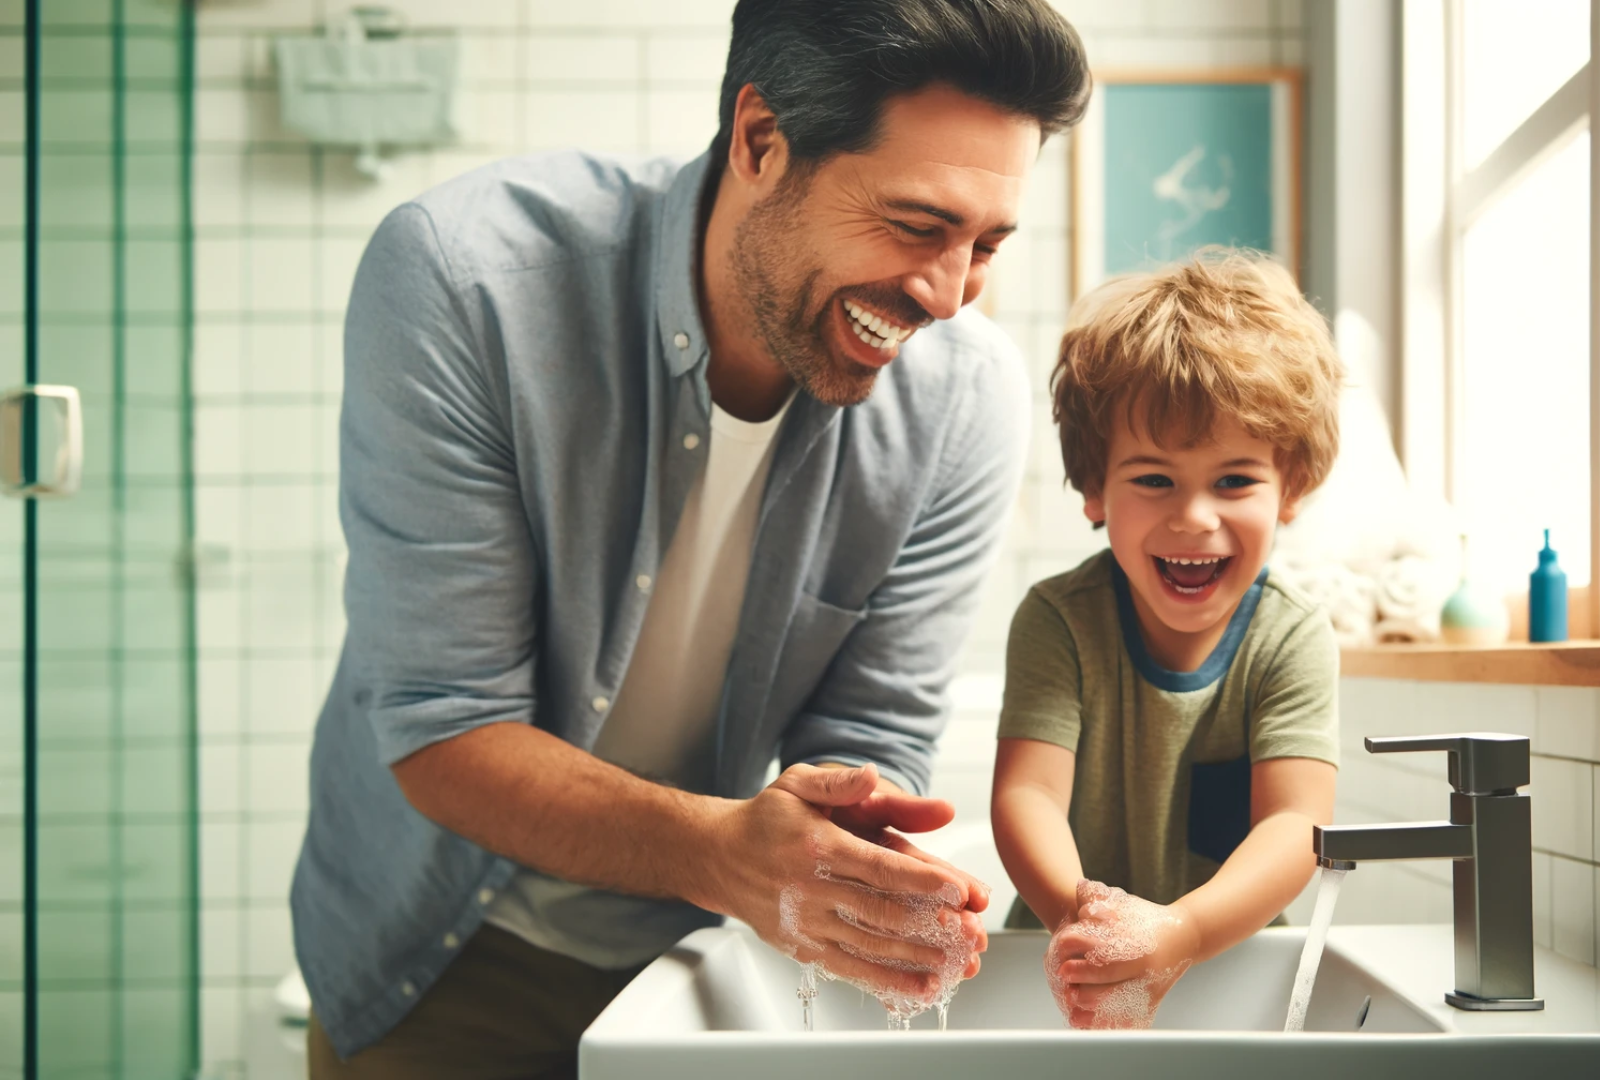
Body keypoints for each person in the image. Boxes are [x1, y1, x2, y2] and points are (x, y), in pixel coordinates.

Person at [292, 1, 1088, 1074]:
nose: (947, 296)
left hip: (707, 961)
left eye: (985, 246)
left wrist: (844, 826)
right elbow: (446, 729)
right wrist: (723, 852)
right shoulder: (464, 282)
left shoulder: (962, 401)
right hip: (439, 961)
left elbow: (874, 723)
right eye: (914, 225)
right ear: (760, 140)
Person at [989, 248, 1344, 1030]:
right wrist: (1091, 928)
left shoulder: (1291, 636)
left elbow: (1295, 827)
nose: (1194, 518)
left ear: (1293, 489)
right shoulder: (1059, 620)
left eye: (1234, 481)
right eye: (1154, 479)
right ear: (1093, 490)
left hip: (1230, 963)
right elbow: (1027, 795)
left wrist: (1178, 932)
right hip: (1065, 969)